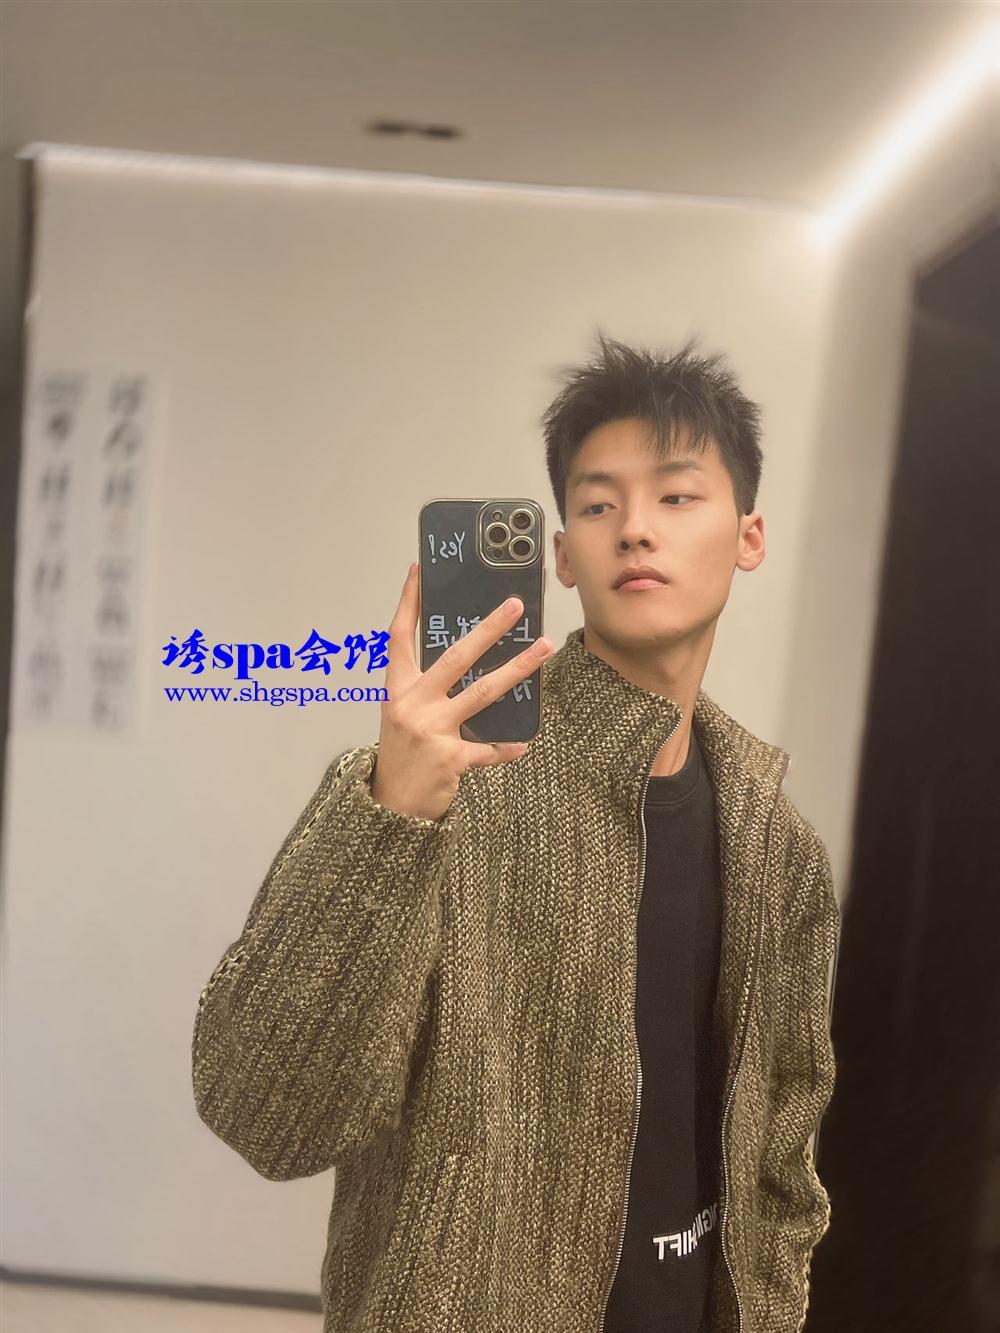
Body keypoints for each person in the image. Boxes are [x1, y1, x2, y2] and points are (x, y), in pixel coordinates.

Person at [192, 332, 841, 1333]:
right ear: (563, 557)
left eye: (676, 496)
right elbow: (270, 1113)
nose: (635, 529)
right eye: (598, 504)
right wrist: (389, 817)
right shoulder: (441, 793)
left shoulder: (776, 844)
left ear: (748, 536)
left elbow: (781, 1157)